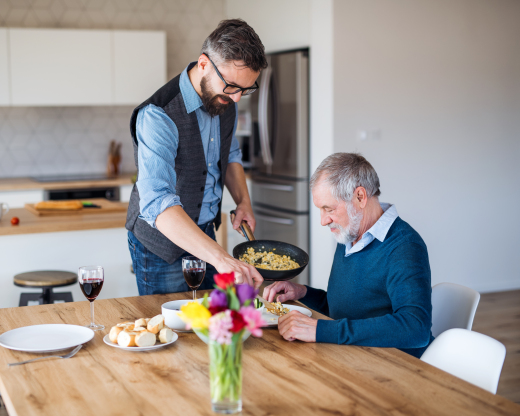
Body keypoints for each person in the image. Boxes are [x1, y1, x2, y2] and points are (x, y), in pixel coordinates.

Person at [126, 19, 267, 295]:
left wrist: (244, 201)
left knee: (209, 325)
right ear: (204, 64)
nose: (238, 98)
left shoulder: (226, 98)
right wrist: (222, 258)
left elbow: (230, 153)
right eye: (231, 86)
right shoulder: (158, 115)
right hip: (161, 246)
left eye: (246, 89)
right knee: (172, 331)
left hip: (205, 235)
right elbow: (157, 203)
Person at [263, 153, 433, 358]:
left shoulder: (404, 246)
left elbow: (415, 328)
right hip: (353, 355)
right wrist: (302, 293)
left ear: (360, 197)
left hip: (395, 366)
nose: (323, 220)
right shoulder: (349, 235)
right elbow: (344, 311)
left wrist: (319, 330)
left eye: (329, 209)